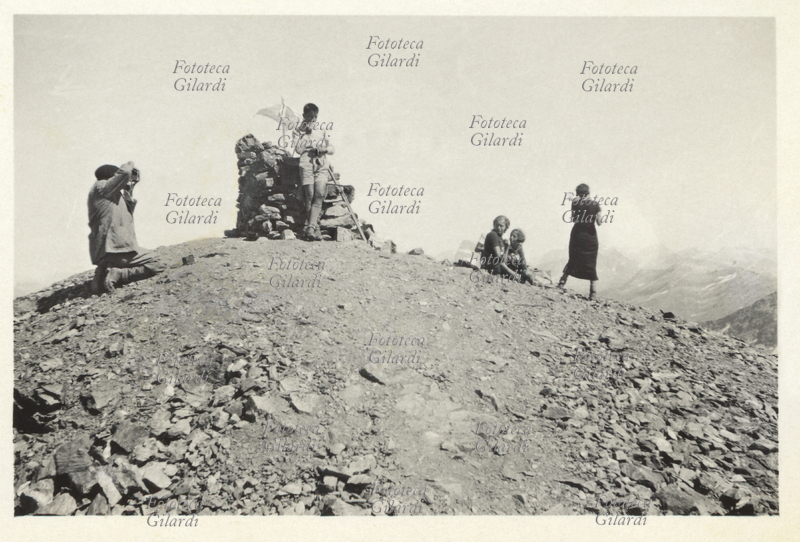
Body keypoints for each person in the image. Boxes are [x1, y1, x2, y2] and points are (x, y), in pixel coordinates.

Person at [88, 162, 166, 294]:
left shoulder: (106, 195)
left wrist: (129, 188)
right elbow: (125, 171)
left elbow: (126, 216)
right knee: (158, 263)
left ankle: (102, 274)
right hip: (117, 249)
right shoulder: (102, 186)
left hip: (105, 251)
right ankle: (119, 274)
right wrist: (130, 165)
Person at [294, 103, 335, 241]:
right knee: (310, 195)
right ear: (304, 115)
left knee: (319, 194)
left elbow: (332, 148)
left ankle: (311, 227)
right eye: (310, 116)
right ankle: (311, 227)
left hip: (321, 162)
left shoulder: (322, 129)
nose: (313, 119)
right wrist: (306, 135)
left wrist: (324, 150)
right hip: (306, 162)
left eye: (315, 117)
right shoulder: (297, 131)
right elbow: (299, 150)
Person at [558, 183, 601, 300]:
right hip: (590, 237)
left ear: (578, 194)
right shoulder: (595, 204)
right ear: (588, 193)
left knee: (573, 258)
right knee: (591, 262)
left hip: (577, 235)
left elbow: (573, 219)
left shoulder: (575, 203)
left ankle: (562, 283)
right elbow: (599, 222)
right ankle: (593, 293)